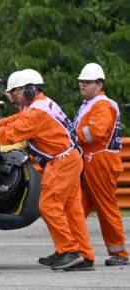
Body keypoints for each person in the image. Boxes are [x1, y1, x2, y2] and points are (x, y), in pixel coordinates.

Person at [0, 69, 95, 271]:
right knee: (72, 210)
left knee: (49, 206)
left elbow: (12, 133)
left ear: (29, 89)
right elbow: (12, 121)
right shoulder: (38, 105)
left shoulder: (37, 112)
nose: (12, 96)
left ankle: (69, 251)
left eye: (15, 91)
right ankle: (83, 255)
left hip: (61, 162)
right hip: (68, 159)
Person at [74, 63, 128, 266]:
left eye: (87, 82)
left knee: (106, 208)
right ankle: (74, 250)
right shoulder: (89, 105)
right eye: (81, 81)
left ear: (99, 84)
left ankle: (120, 253)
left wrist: (70, 137)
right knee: (76, 208)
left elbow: (94, 132)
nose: (82, 85)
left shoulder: (103, 105)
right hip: (89, 161)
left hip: (100, 161)